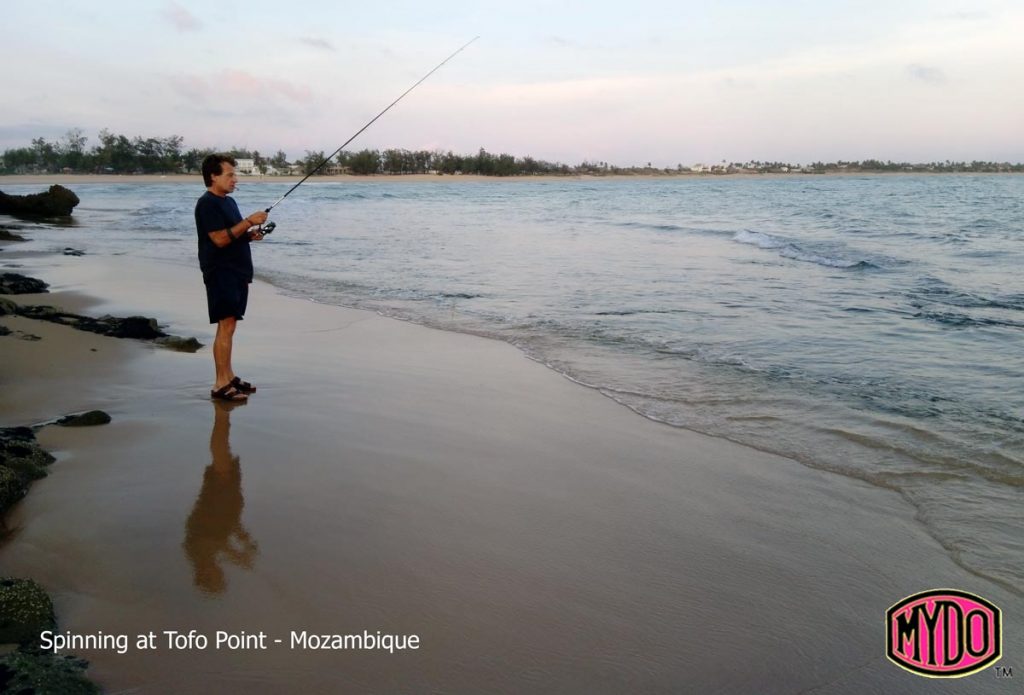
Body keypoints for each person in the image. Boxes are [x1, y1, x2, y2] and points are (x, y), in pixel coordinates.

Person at [195, 154, 268, 401]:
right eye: (230, 175)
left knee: (230, 325)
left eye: (235, 175)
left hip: (237, 271)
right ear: (213, 176)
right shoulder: (207, 204)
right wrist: (248, 220)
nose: (235, 179)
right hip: (220, 271)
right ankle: (220, 384)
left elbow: (233, 234)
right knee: (225, 326)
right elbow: (219, 239)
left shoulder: (229, 202)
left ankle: (229, 375)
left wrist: (249, 234)